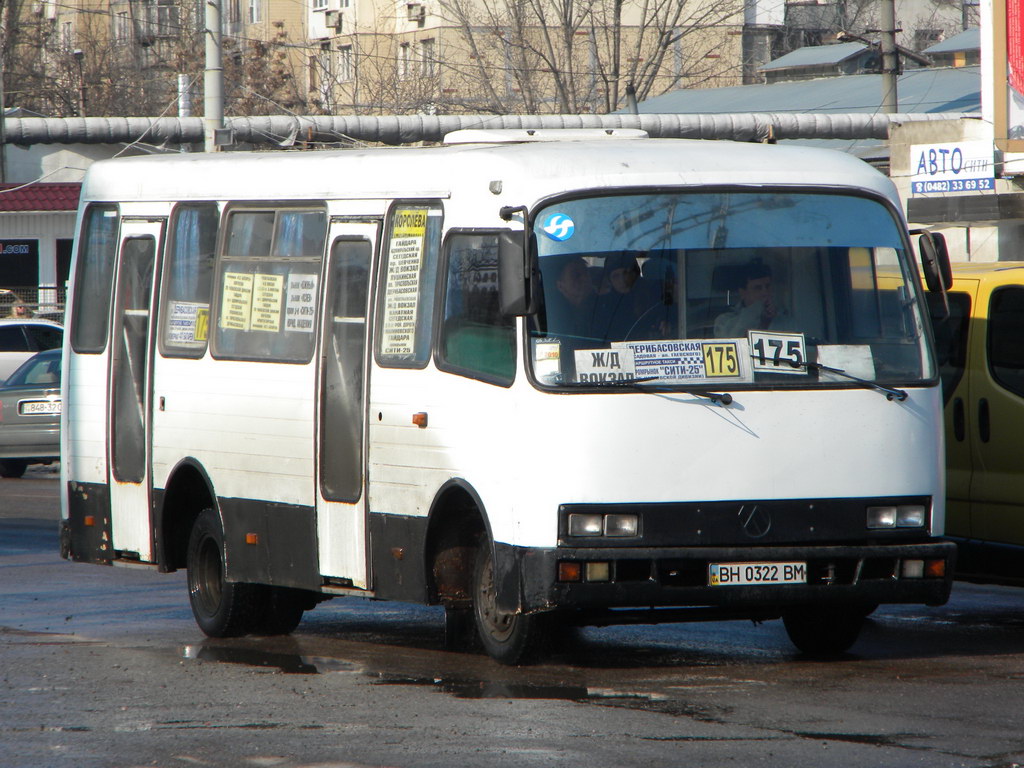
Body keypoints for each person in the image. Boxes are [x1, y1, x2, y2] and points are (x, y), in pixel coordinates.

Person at [714, 260, 791, 337]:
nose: (765, 292)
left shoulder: (785, 320)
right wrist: (759, 315)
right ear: (743, 292)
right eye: (758, 288)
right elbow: (736, 343)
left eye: (767, 286)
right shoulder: (724, 321)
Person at [542, 255, 597, 339]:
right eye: (576, 275)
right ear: (560, 285)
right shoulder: (551, 316)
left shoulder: (604, 308)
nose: (584, 278)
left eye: (586, 272)